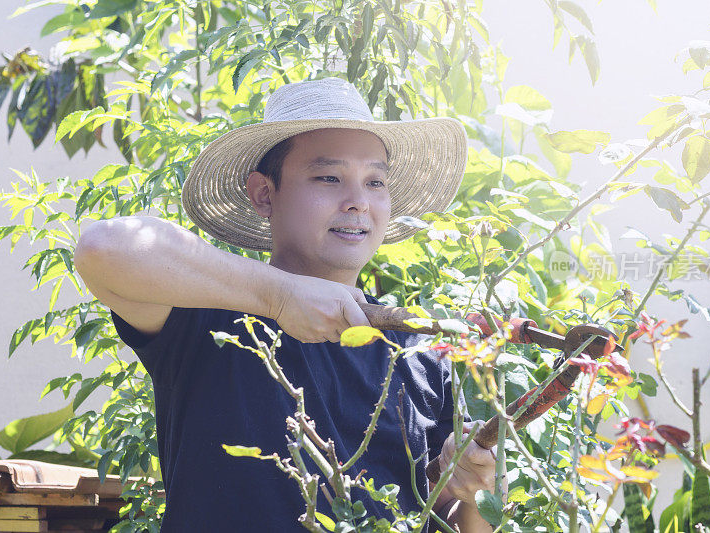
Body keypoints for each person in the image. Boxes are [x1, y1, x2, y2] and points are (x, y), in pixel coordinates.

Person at [74, 77, 500, 532]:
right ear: (264, 193)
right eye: (328, 177)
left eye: (375, 181)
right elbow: (102, 247)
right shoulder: (209, 311)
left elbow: (461, 522)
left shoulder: (420, 353)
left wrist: (470, 492)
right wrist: (279, 296)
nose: (358, 202)